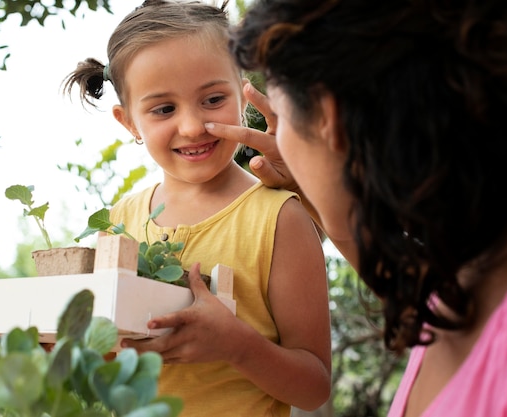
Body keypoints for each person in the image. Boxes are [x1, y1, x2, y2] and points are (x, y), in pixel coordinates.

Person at [203, 0, 507, 416]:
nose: (277, 136)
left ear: (330, 118)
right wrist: (323, 186)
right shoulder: (479, 271)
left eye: (281, 115)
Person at [62, 1, 331, 416]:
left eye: (213, 99)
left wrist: (238, 347)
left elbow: (314, 388)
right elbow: (110, 365)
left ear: (242, 90)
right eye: (164, 109)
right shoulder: (119, 222)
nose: (191, 126)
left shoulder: (280, 219)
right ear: (129, 122)